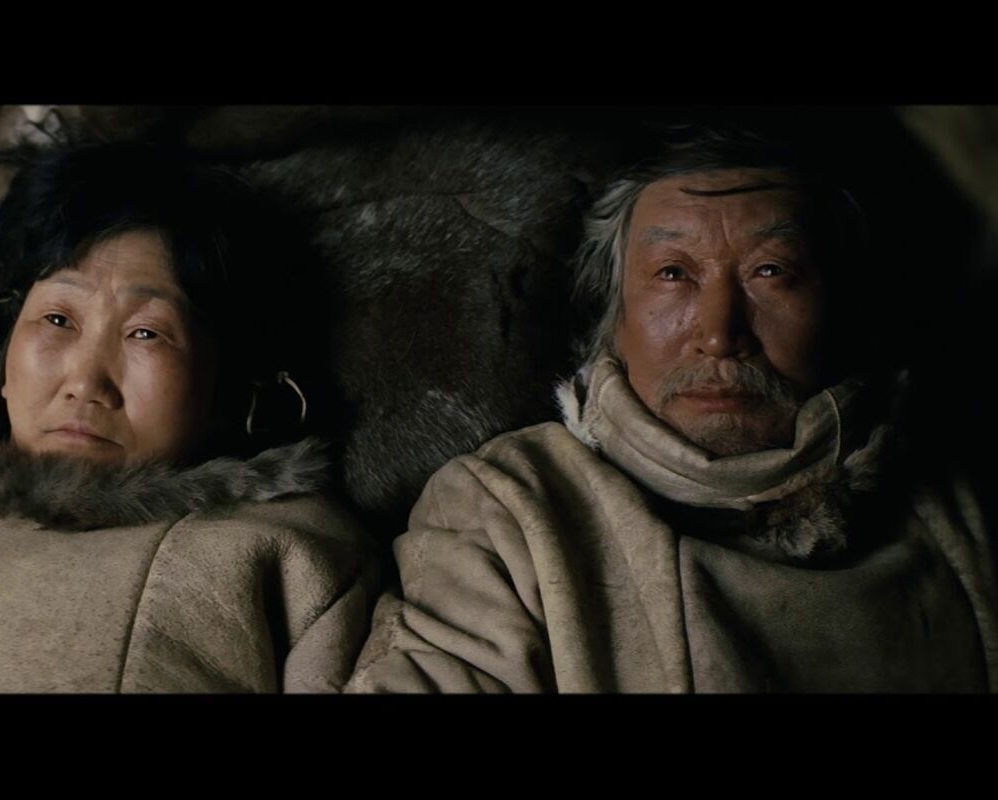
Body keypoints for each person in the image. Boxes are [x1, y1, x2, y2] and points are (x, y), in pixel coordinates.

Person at [348, 128, 998, 693]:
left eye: (772, 271)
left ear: (843, 312)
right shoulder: (509, 511)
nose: (718, 334)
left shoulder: (952, 504)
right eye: (671, 273)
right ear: (614, 321)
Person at [0, 139, 377, 693]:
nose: (85, 383)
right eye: (57, 319)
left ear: (228, 387)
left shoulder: (292, 558)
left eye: (146, 333)